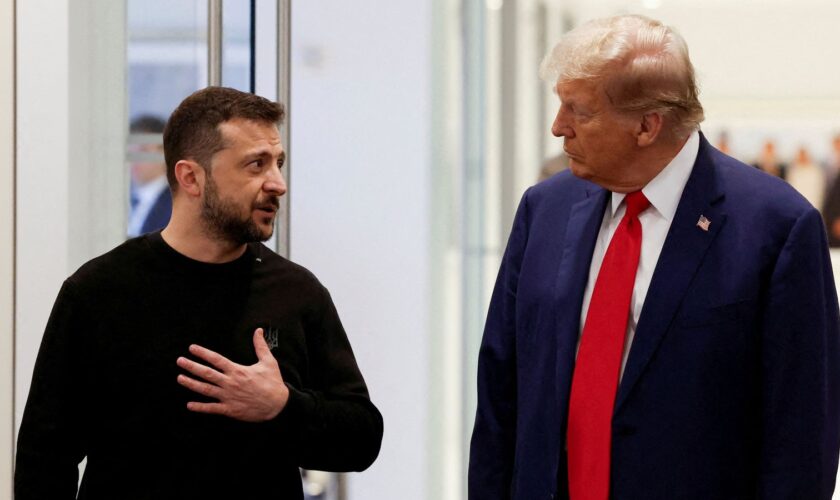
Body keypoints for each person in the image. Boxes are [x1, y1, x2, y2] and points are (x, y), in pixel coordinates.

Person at [469, 14, 840, 500]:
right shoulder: (544, 209)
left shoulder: (776, 228)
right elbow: (500, 394)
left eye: (577, 111)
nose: (558, 128)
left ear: (647, 126)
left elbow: (801, 440)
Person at [15, 87, 384, 499]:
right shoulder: (99, 292)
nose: (277, 183)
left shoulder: (298, 294)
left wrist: (283, 406)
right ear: (191, 177)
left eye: (278, 164)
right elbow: (44, 459)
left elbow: (362, 437)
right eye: (256, 165)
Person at [127, 114, 172, 237]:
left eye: (143, 150)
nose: (134, 158)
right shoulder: (121, 200)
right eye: (130, 150)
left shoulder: (176, 205)